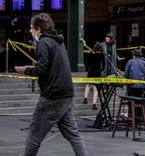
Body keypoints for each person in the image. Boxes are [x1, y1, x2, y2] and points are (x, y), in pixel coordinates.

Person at [15, 13, 87, 156]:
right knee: (73, 135)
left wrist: (26, 70)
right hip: (66, 94)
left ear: (38, 28)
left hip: (52, 96)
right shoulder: (59, 42)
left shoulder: (43, 42)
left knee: (34, 135)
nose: (30, 31)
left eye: (31, 28)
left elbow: (42, 69)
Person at [83, 42, 104, 110]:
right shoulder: (101, 54)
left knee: (88, 84)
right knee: (95, 88)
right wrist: (102, 69)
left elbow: (88, 62)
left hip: (91, 71)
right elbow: (103, 63)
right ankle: (94, 104)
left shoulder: (91, 53)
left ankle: (85, 98)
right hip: (97, 72)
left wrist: (87, 68)